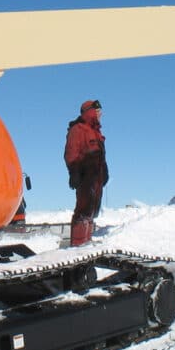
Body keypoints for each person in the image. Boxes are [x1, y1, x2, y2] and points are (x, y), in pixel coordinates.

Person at [64, 99, 109, 247]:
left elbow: (100, 155)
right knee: (83, 209)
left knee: (92, 209)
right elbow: (71, 153)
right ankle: (78, 245)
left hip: (96, 177)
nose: (100, 114)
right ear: (90, 112)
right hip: (85, 176)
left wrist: (105, 170)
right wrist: (74, 172)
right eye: (98, 111)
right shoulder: (78, 130)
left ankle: (86, 241)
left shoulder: (96, 132)